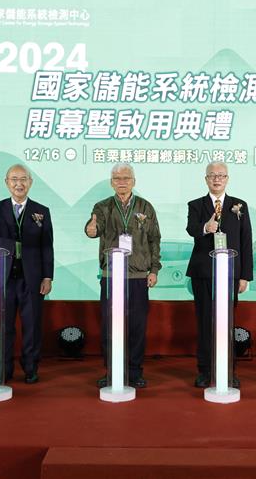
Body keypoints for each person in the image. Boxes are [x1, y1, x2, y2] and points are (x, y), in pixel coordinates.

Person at [0, 164, 54, 384]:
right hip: (2, 277)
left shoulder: (41, 211)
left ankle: (30, 367)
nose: (19, 183)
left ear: (31, 182)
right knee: (2, 326)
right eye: (14, 179)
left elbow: (47, 246)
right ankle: (3, 369)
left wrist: (47, 276)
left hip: (32, 278)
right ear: (6, 182)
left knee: (32, 325)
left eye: (23, 179)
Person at [84, 163, 161, 389]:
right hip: (111, 276)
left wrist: (154, 269)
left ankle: (135, 372)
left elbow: (154, 239)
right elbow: (93, 229)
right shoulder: (102, 207)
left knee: (137, 327)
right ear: (111, 182)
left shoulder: (145, 207)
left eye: (126, 178)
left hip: (137, 278)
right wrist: (90, 229)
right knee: (110, 326)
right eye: (117, 178)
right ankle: (112, 371)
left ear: (133, 181)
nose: (121, 182)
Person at [186, 161, 253, 389]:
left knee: (227, 322)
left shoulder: (239, 206)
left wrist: (245, 276)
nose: (217, 179)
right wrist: (206, 227)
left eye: (221, 175)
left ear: (227, 179)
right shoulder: (196, 205)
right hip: (203, 273)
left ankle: (228, 370)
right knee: (205, 322)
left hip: (231, 274)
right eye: (212, 175)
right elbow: (191, 229)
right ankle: (205, 370)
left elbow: (246, 241)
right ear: (206, 179)